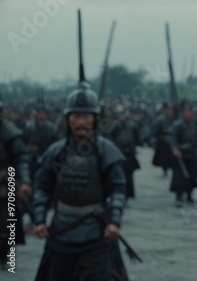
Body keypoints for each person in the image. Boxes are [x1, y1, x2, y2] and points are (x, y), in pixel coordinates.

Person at [33, 82, 127, 281]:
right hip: (60, 232)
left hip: (96, 234)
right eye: (75, 116)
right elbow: (42, 186)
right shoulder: (55, 152)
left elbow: (118, 189)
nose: (80, 122)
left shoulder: (106, 152)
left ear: (94, 119)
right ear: (68, 119)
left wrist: (114, 220)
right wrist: (40, 219)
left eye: (85, 116)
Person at [0, 100, 32, 270]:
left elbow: (21, 159)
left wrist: (25, 181)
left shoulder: (10, 133)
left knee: (6, 225)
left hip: (6, 183)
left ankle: (4, 253)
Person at [168, 103, 197, 207]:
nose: (187, 114)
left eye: (189, 112)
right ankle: (179, 197)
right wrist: (175, 149)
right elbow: (172, 138)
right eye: (185, 112)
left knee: (192, 176)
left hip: (193, 153)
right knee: (180, 177)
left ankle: (189, 195)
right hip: (182, 154)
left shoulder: (195, 125)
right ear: (182, 113)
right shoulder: (177, 125)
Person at [109, 110, 141, 200]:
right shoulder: (115, 126)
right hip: (118, 153)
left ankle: (128, 194)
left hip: (129, 154)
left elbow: (137, 138)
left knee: (129, 175)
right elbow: (110, 138)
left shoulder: (132, 126)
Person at [151, 102, 175, 176]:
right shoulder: (160, 120)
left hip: (171, 142)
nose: (170, 111)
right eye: (168, 110)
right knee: (163, 158)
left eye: (171, 110)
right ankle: (164, 169)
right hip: (163, 142)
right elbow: (154, 131)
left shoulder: (174, 119)